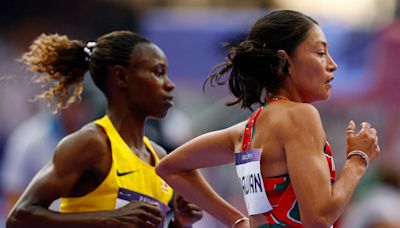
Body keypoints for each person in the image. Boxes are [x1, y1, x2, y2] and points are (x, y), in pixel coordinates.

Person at [156, 10, 380, 228]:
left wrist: (235, 220)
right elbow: (319, 218)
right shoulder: (299, 115)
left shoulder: (246, 131)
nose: (332, 64)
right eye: (320, 53)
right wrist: (358, 160)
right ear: (285, 61)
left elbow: (171, 167)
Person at [6, 30, 203, 228]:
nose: (170, 84)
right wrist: (108, 218)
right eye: (158, 73)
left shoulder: (159, 157)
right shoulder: (92, 143)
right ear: (121, 77)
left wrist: (181, 222)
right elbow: (19, 217)